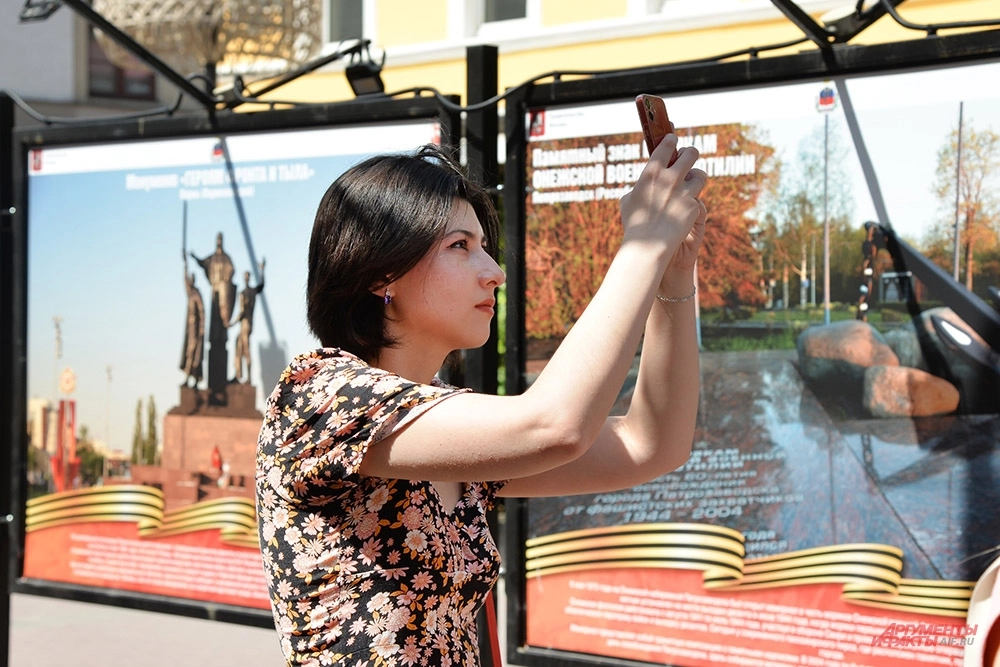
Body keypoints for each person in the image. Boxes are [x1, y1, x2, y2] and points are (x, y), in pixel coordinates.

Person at [255, 138, 707, 666]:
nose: (494, 271)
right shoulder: (319, 397)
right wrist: (643, 246)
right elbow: (553, 426)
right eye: (459, 245)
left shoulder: (439, 414)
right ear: (381, 273)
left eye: (484, 246)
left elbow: (651, 444)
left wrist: (673, 272)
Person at [230, 260, 265, 383]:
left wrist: (231, 323)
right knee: (239, 346)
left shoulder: (243, 293)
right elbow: (261, 285)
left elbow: (242, 312)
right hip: (248, 324)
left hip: (245, 324)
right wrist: (262, 270)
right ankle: (238, 374)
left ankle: (248, 378)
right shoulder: (252, 291)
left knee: (245, 349)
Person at [179, 254, 205, 388]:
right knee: (190, 353)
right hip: (190, 328)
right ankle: (189, 378)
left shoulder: (196, 294)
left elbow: (202, 312)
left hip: (195, 329)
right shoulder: (190, 293)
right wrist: (185, 264)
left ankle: (193, 379)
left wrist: (201, 328)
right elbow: (184, 279)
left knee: (194, 354)